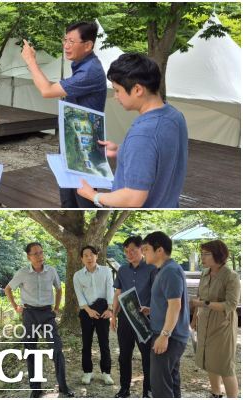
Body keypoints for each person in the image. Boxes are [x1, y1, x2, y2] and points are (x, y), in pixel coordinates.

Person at [77, 53, 188, 207]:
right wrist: (120, 151)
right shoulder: (174, 115)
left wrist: (94, 195)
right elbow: (159, 154)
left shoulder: (143, 134)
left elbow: (133, 198)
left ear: (137, 89)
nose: (116, 96)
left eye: (117, 90)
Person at [21, 21, 106, 208]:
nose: (66, 46)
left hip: (84, 150)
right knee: (68, 201)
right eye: (65, 40)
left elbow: (47, 90)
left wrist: (30, 61)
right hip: (71, 144)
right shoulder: (81, 66)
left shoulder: (90, 71)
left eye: (71, 41)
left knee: (84, 202)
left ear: (88, 45)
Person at [4, 242, 75, 398]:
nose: (40, 256)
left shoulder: (51, 271)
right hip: (29, 314)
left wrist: (56, 309)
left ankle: (63, 386)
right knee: (31, 351)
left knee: (57, 349)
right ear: (29, 257)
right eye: (35, 253)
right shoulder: (23, 273)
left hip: (47, 314)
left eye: (41, 252)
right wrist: (16, 306)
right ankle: (36, 389)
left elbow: (58, 288)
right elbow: (8, 289)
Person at [141, 231, 189, 398]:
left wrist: (164, 335)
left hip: (169, 336)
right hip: (169, 335)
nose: (143, 253)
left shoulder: (170, 271)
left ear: (159, 250)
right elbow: (168, 303)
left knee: (160, 386)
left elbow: (176, 305)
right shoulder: (164, 270)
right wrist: (152, 309)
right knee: (171, 382)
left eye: (146, 249)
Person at [190, 240, 240, 398]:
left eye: (206, 254)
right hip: (205, 322)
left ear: (218, 255)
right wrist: (194, 319)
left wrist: (204, 304)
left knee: (225, 366)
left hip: (222, 325)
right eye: (202, 254)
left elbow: (231, 305)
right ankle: (216, 393)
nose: (202, 258)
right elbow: (199, 296)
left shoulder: (230, 276)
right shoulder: (205, 273)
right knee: (210, 360)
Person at [111, 236, 156, 398]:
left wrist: (151, 310)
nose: (129, 254)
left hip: (145, 318)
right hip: (125, 318)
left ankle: (148, 391)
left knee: (147, 356)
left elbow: (157, 294)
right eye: (126, 251)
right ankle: (124, 389)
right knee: (124, 356)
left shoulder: (152, 268)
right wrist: (113, 315)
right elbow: (118, 293)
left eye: (133, 250)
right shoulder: (122, 270)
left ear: (142, 249)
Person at [73, 245, 114, 385]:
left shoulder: (106, 271)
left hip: (103, 310)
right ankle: (87, 372)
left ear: (96, 256)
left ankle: (106, 373)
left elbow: (110, 290)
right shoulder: (77, 275)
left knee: (104, 342)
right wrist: (89, 311)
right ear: (81, 258)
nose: (89, 258)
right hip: (86, 311)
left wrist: (110, 309)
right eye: (85, 255)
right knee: (86, 343)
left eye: (92, 254)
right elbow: (79, 295)